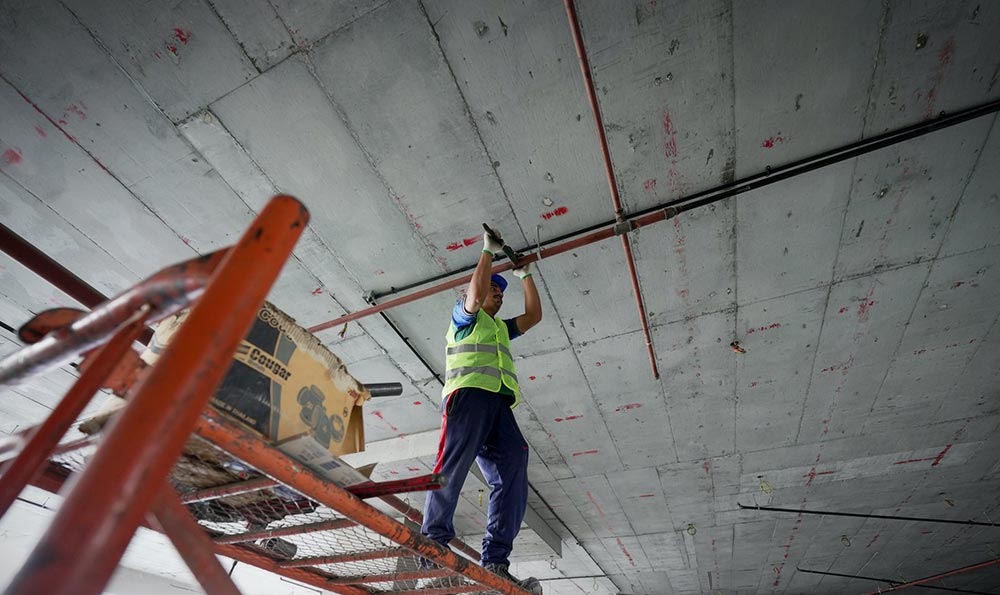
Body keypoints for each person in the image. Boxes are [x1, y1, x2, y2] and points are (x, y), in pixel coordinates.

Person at [420, 231, 543, 593]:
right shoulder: (464, 320)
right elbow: (474, 294)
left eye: (502, 292)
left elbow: (533, 316)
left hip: (499, 405)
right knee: (454, 462)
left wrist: (526, 275)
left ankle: (496, 559)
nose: (499, 294)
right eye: (494, 288)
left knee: (514, 462)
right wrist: (487, 253)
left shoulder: (501, 330)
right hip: (468, 398)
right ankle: (434, 539)